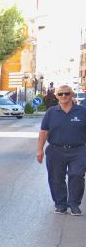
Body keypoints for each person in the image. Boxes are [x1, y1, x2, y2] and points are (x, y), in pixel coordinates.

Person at [36, 85, 86, 215]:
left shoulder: (82, 111)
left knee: (77, 175)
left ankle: (74, 204)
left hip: (78, 150)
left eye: (67, 93)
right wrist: (40, 150)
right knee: (56, 178)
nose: (64, 96)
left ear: (72, 95)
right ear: (57, 96)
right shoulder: (51, 112)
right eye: (60, 94)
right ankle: (60, 204)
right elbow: (44, 131)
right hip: (55, 150)